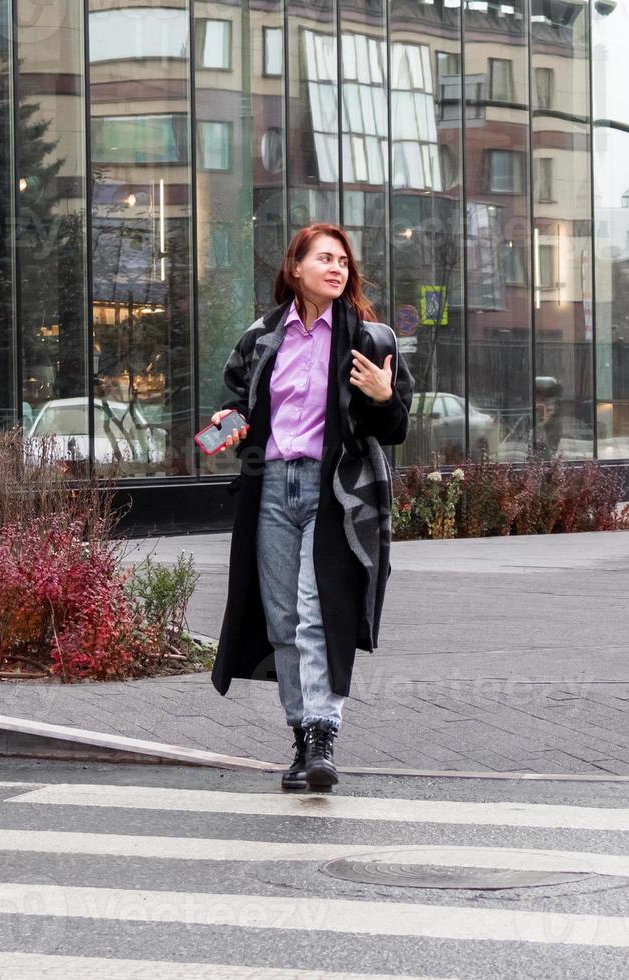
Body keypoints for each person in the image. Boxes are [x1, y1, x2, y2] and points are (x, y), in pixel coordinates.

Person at [208, 223, 413, 793]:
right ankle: (301, 736)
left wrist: (383, 396)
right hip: (270, 487)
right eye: (324, 258)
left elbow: (396, 426)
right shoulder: (262, 336)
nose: (337, 268)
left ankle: (323, 732)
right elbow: (235, 396)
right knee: (281, 620)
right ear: (295, 267)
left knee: (314, 612)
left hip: (335, 493)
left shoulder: (370, 340)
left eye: (343, 261)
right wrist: (231, 421)